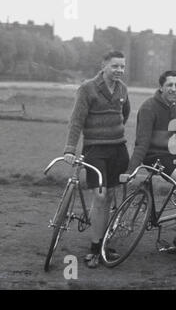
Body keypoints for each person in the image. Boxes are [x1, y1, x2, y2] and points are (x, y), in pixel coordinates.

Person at [63, 50, 130, 268]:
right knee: (100, 196)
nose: (119, 70)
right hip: (95, 150)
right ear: (104, 65)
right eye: (115, 66)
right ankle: (94, 248)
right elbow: (76, 120)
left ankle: (102, 243)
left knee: (110, 195)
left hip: (118, 149)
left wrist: (114, 128)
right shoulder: (87, 88)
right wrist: (70, 149)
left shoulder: (123, 89)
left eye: (122, 66)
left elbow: (124, 113)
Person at [126, 70, 176, 261]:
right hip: (155, 157)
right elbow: (142, 143)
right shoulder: (148, 107)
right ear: (161, 87)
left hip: (171, 157)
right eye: (170, 85)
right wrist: (130, 170)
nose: (174, 89)